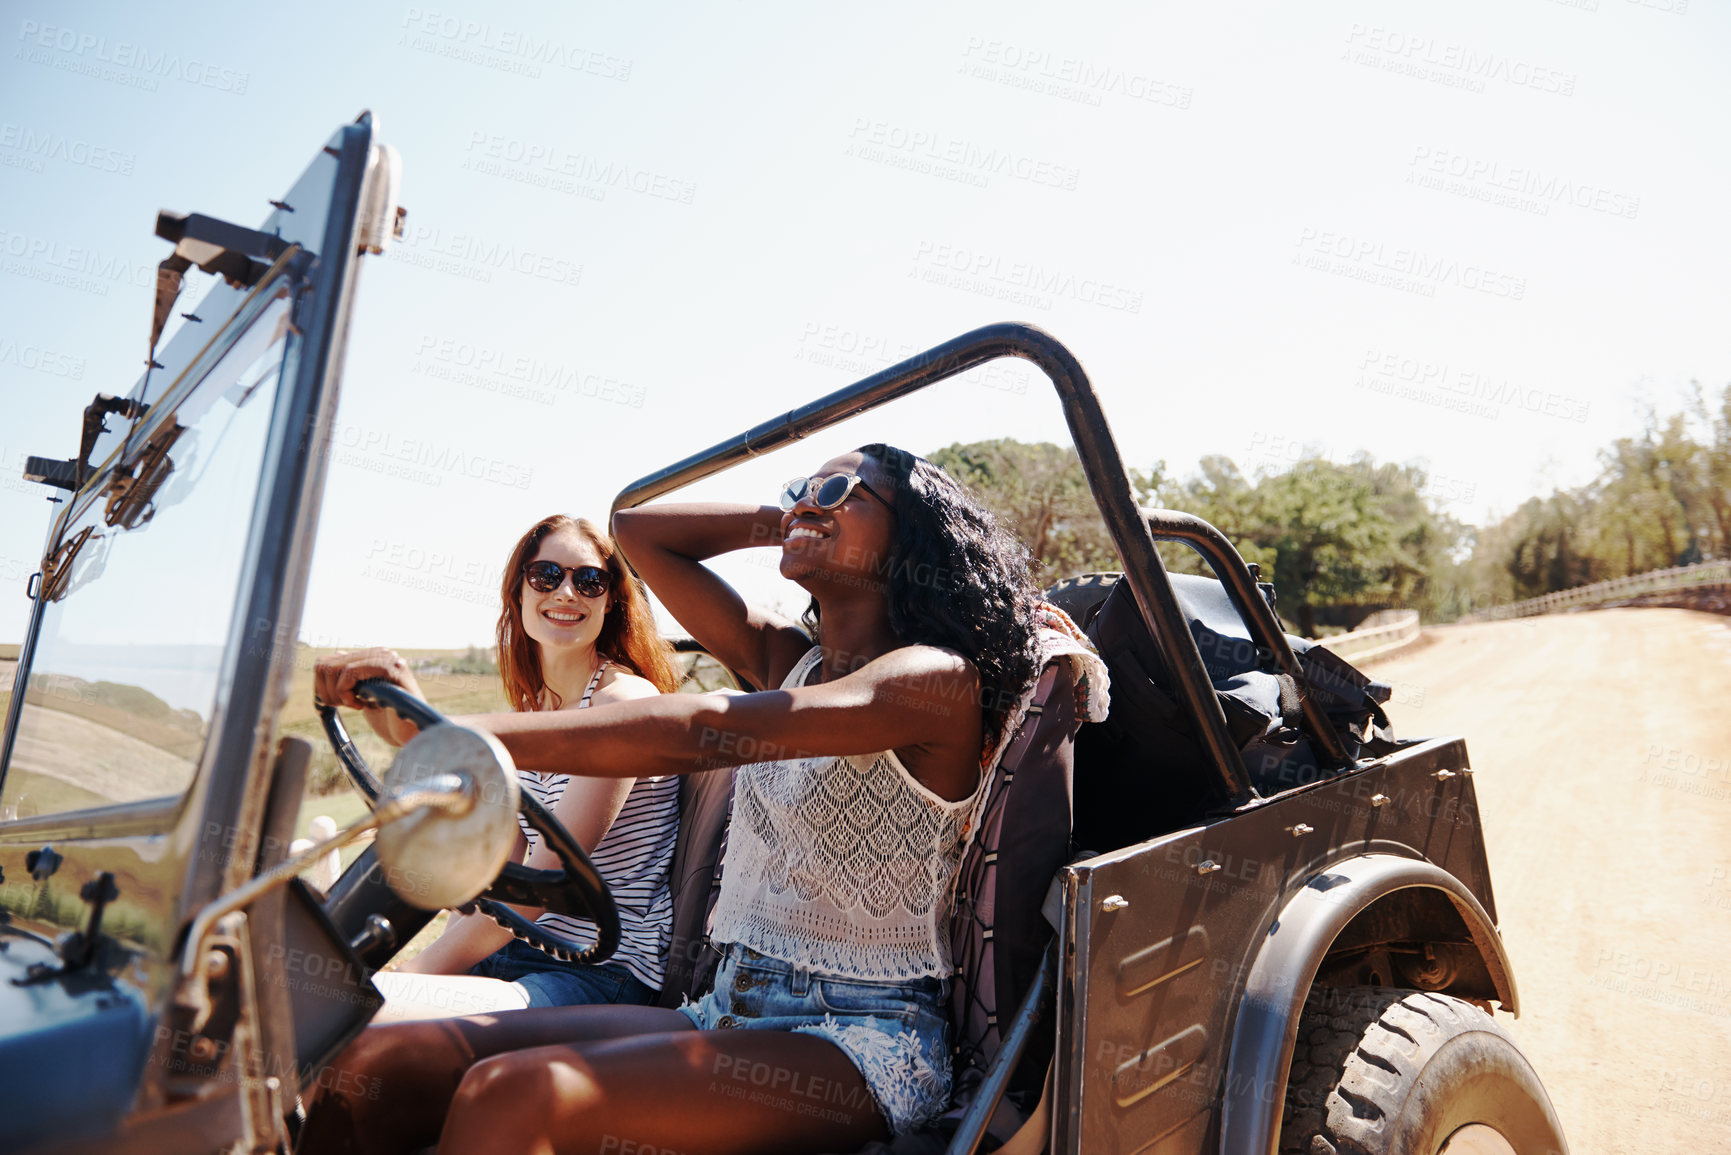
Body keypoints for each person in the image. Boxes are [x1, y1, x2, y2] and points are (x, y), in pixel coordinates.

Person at [301, 446, 1106, 1155]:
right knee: (375, 1063)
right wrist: (795, 515)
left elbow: (704, 728)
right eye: (803, 486)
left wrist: (449, 731)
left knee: (512, 1094)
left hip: (861, 1037)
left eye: (842, 493)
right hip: (725, 1007)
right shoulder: (785, 657)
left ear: (911, 535)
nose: (808, 501)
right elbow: (638, 527)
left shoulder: (931, 679)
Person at [316, 515, 682, 1019]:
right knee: (319, 999)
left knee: (367, 1018)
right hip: (514, 947)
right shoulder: (531, 714)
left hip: (597, 969)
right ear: (519, 592)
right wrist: (399, 722)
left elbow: (545, 884)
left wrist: (406, 975)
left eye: (590, 580)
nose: (567, 592)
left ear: (612, 600)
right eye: (546, 576)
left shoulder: (625, 705)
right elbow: (506, 857)